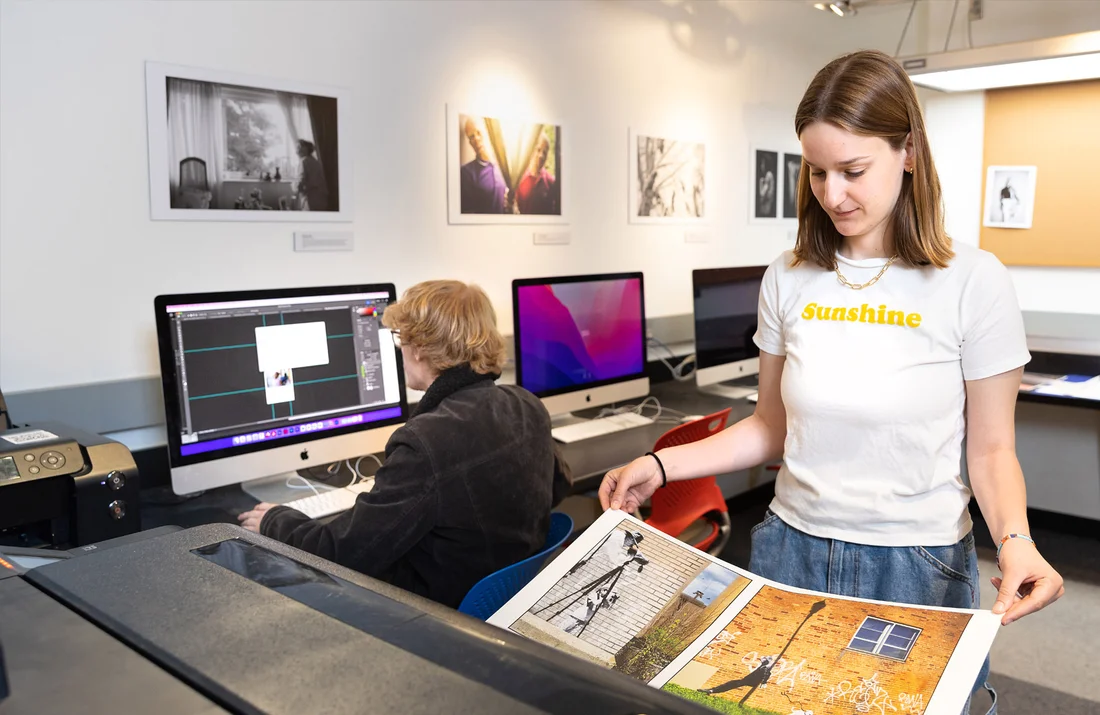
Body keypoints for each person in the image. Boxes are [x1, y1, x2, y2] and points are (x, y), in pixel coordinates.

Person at [599, 50, 1063, 714]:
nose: (832, 194)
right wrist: (659, 463)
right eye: (816, 172)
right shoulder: (788, 276)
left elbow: (990, 451)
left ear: (908, 151)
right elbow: (768, 428)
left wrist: (1017, 541)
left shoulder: (974, 280)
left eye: (852, 171)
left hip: (916, 563)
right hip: (791, 550)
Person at [239, 280, 571, 608]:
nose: (400, 350)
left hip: (436, 611)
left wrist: (275, 520)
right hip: (503, 592)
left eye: (400, 337)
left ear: (420, 346)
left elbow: (342, 553)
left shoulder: (427, 441)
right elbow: (556, 487)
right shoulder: (526, 403)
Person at [459, 117, 510, 214]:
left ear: (486, 133)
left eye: (478, 133)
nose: (476, 139)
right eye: (472, 137)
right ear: (470, 143)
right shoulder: (466, 173)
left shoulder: (503, 166)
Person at [515, 134, 559, 215]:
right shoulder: (518, 178)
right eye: (538, 150)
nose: (541, 155)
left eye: (544, 152)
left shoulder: (551, 182)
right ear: (531, 150)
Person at [295, 139, 328, 211]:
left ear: (305, 149)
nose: (296, 151)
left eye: (298, 148)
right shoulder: (315, 161)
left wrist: (295, 189)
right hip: (322, 199)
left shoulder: (304, 161)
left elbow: (300, 182)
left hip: (311, 201)